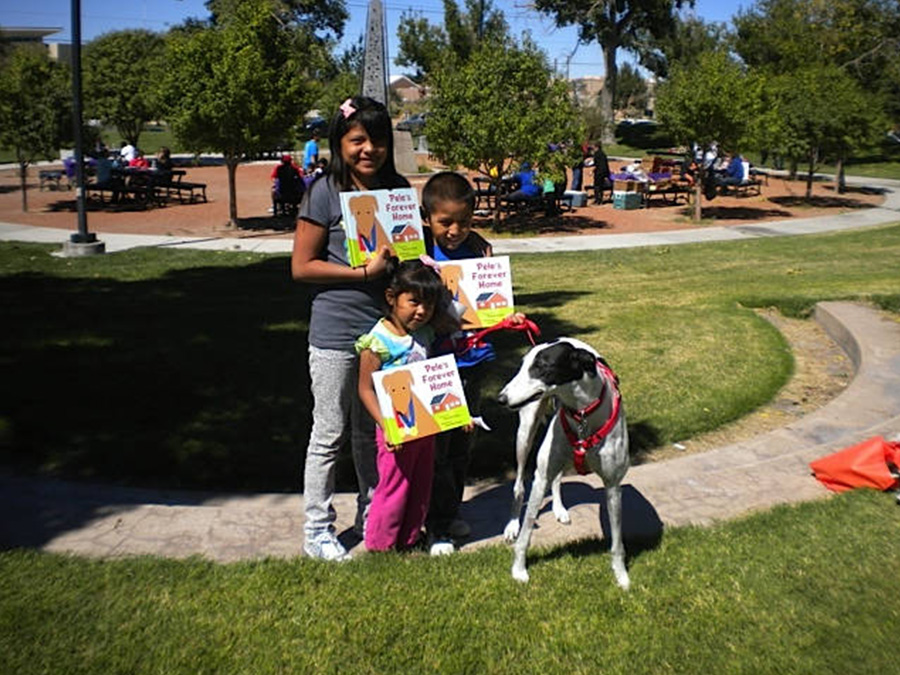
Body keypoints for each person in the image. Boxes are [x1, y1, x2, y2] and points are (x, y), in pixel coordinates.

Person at [291, 96, 410, 561]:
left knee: (371, 432)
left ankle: (373, 514)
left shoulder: (397, 187)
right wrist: (363, 273)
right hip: (337, 331)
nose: (368, 149)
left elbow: (414, 249)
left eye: (377, 140)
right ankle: (317, 529)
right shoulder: (324, 191)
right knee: (331, 431)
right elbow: (302, 267)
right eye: (357, 140)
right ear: (339, 143)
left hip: (387, 332)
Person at [419, 171, 528, 555]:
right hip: (435, 364)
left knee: (462, 446)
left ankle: (449, 512)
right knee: (438, 449)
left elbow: (491, 307)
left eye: (464, 222)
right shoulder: (421, 255)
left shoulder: (480, 252)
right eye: (445, 222)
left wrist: (507, 318)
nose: (455, 230)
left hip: (473, 362)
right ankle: (437, 526)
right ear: (426, 218)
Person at [356, 259, 451, 551]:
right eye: (413, 302)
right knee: (394, 486)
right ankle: (381, 545)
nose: (421, 311)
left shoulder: (424, 333)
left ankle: (410, 539)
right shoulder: (378, 341)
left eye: (429, 305)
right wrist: (387, 426)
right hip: (394, 429)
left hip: (425, 425)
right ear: (391, 298)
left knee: (421, 483)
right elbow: (365, 389)